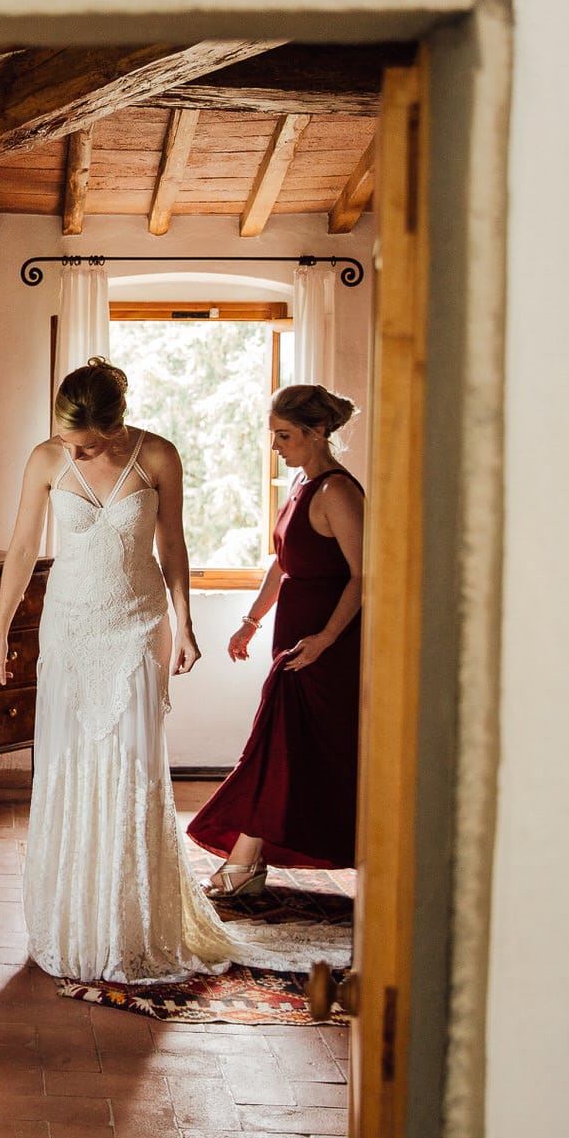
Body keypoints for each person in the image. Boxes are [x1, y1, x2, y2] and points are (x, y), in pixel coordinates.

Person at [0, 358, 242, 982]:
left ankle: (130, 925)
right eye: (69, 438)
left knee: (132, 771)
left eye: (88, 442)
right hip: (68, 629)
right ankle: (73, 922)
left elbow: (173, 543)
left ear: (117, 427)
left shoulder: (159, 457)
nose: (77, 449)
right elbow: (21, 548)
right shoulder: (44, 459)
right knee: (68, 769)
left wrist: (188, 624)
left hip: (139, 628)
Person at [187, 383, 365, 894]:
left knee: (282, 748)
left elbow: (363, 576)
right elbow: (282, 561)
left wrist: (326, 639)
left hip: (324, 650)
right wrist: (251, 620)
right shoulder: (301, 487)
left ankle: (244, 863)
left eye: (285, 436)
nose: (276, 446)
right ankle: (249, 864)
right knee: (286, 750)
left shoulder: (338, 492)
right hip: (294, 642)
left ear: (316, 433)